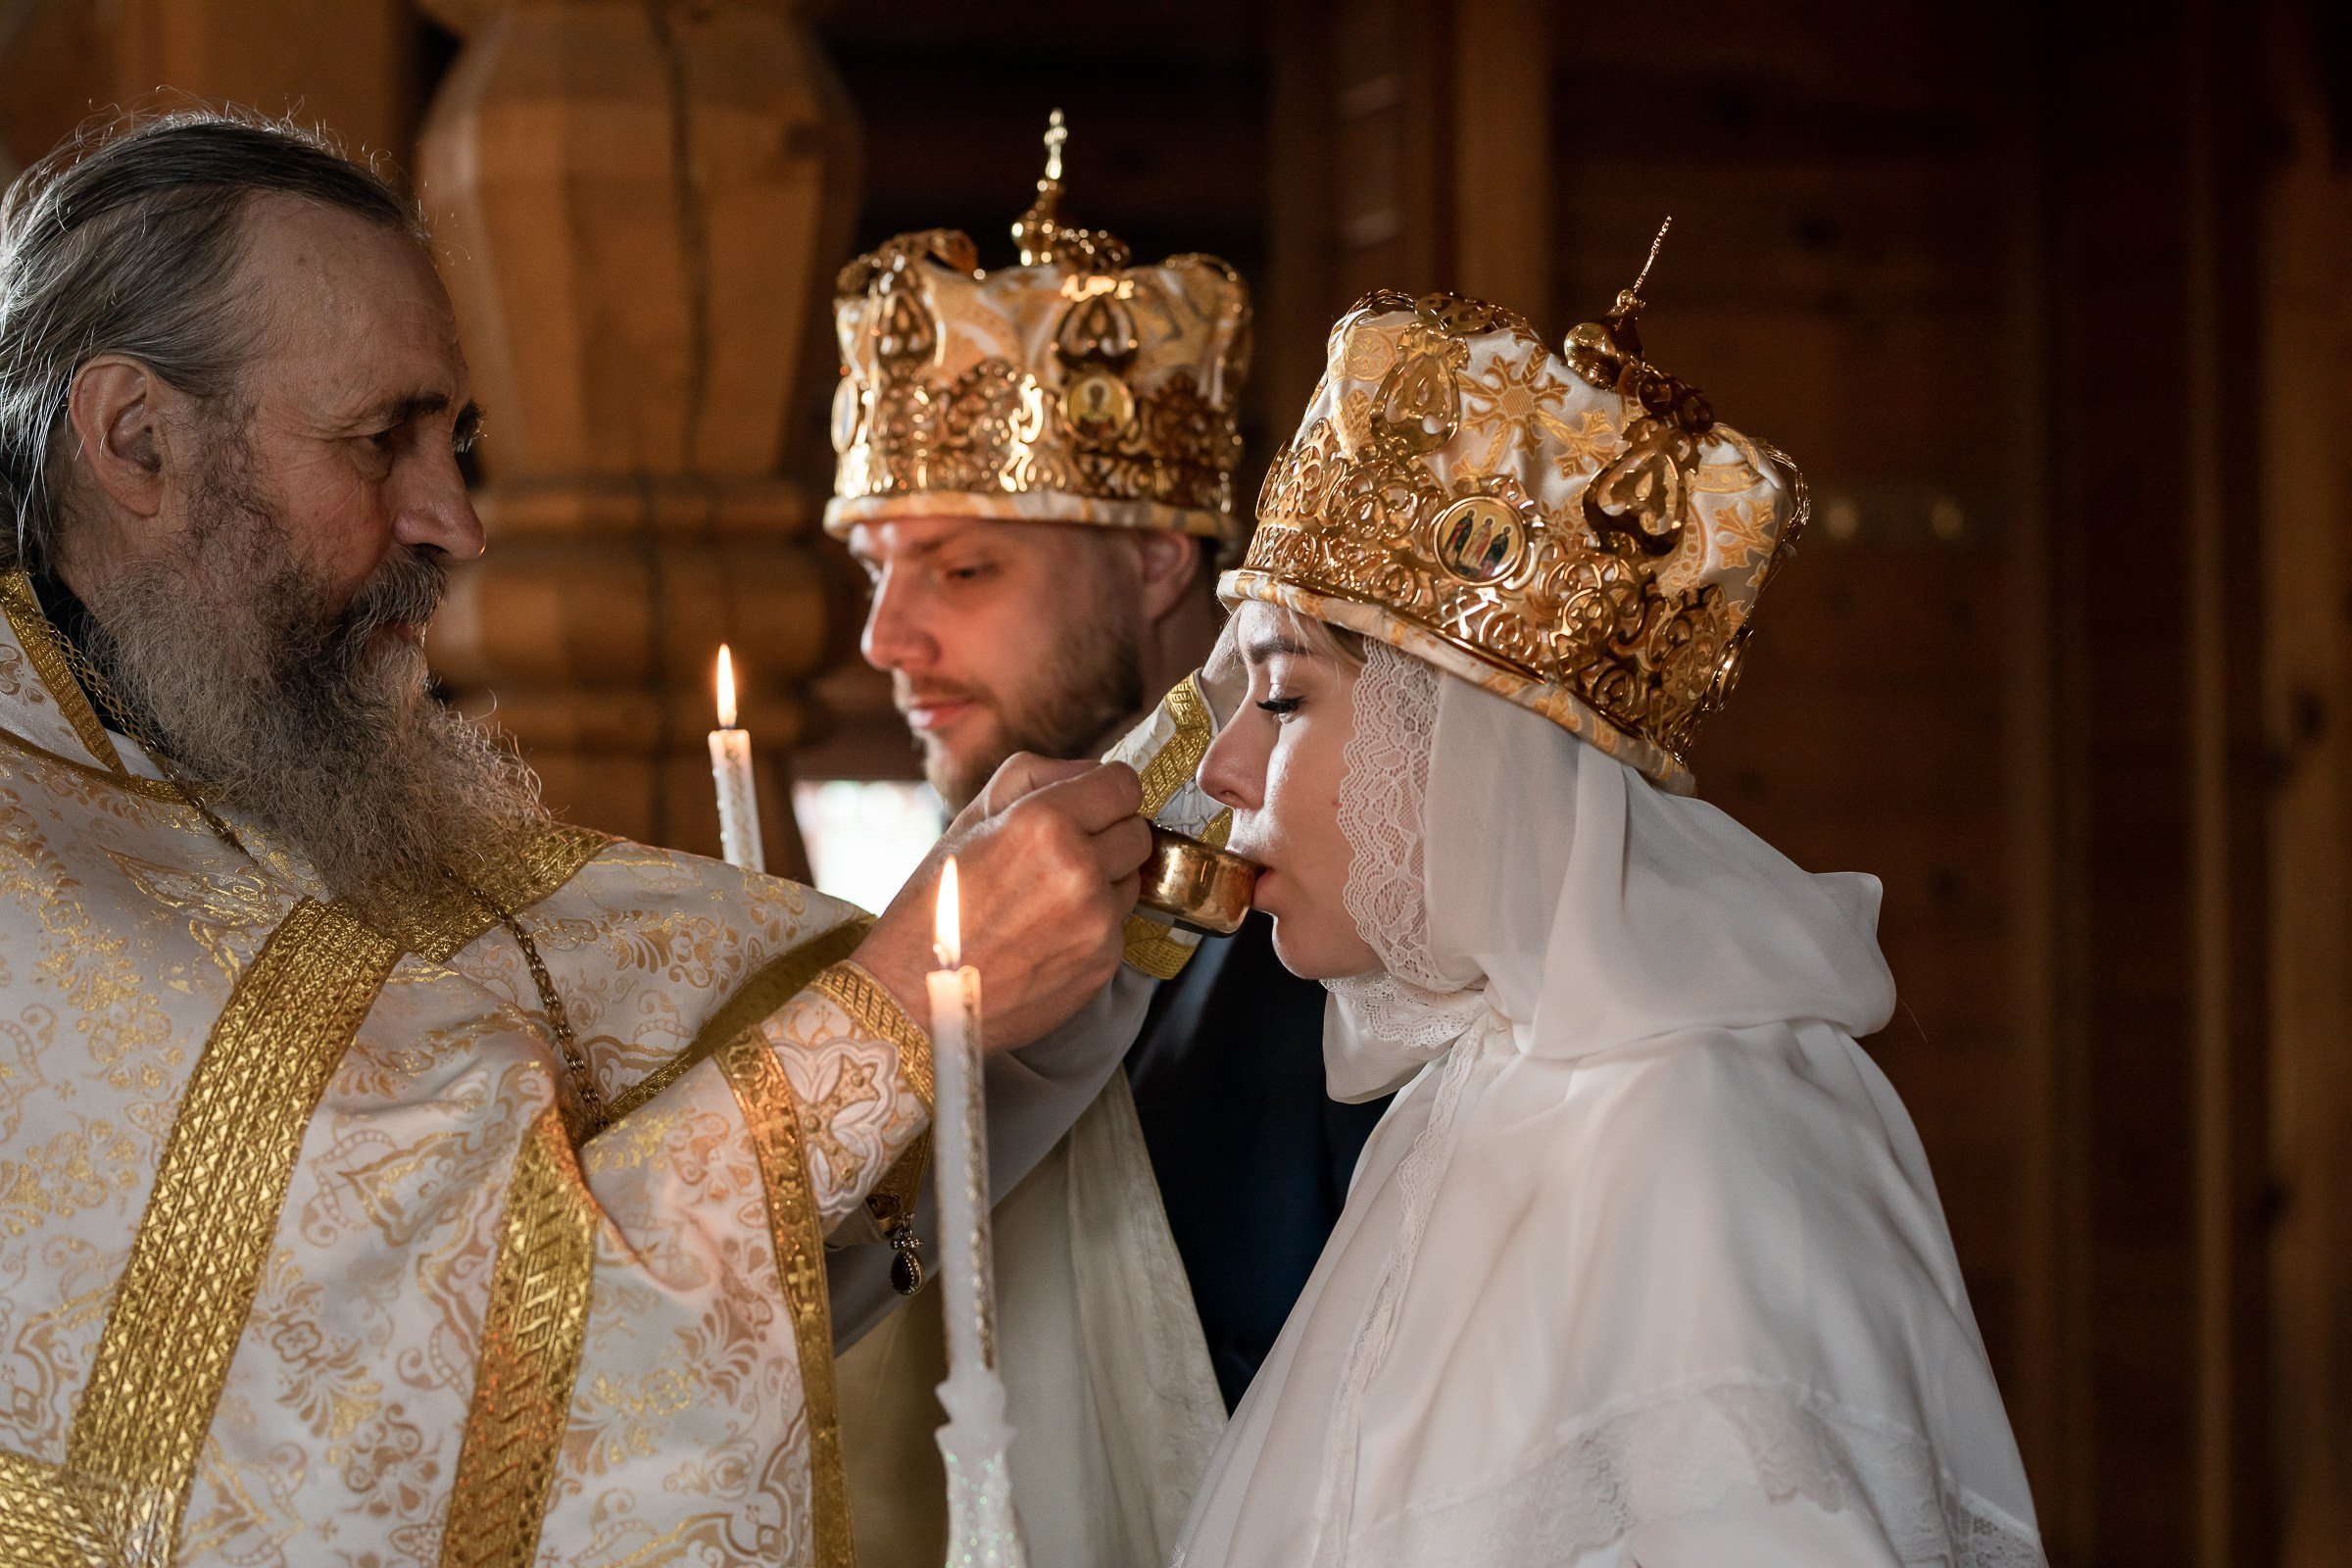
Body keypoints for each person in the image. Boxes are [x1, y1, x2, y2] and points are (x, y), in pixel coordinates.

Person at [0, 112, 1154, 1568]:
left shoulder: (204, 744)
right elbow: (414, 1392)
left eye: (457, 443)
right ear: (137, 442)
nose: (456, 523)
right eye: (383, 440)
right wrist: (907, 1000)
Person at [1174, 278, 2045, 1565]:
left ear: (1463, 745)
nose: (1221, 773)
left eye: (1287, 702)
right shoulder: (1462, 1097)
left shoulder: (1710, 1131)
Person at [822, 116, 1381, 1568]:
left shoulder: (1349, 907)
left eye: (963, 565)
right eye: (878, 571)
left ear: (1155, 558)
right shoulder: (948, 899)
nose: (889, 640)